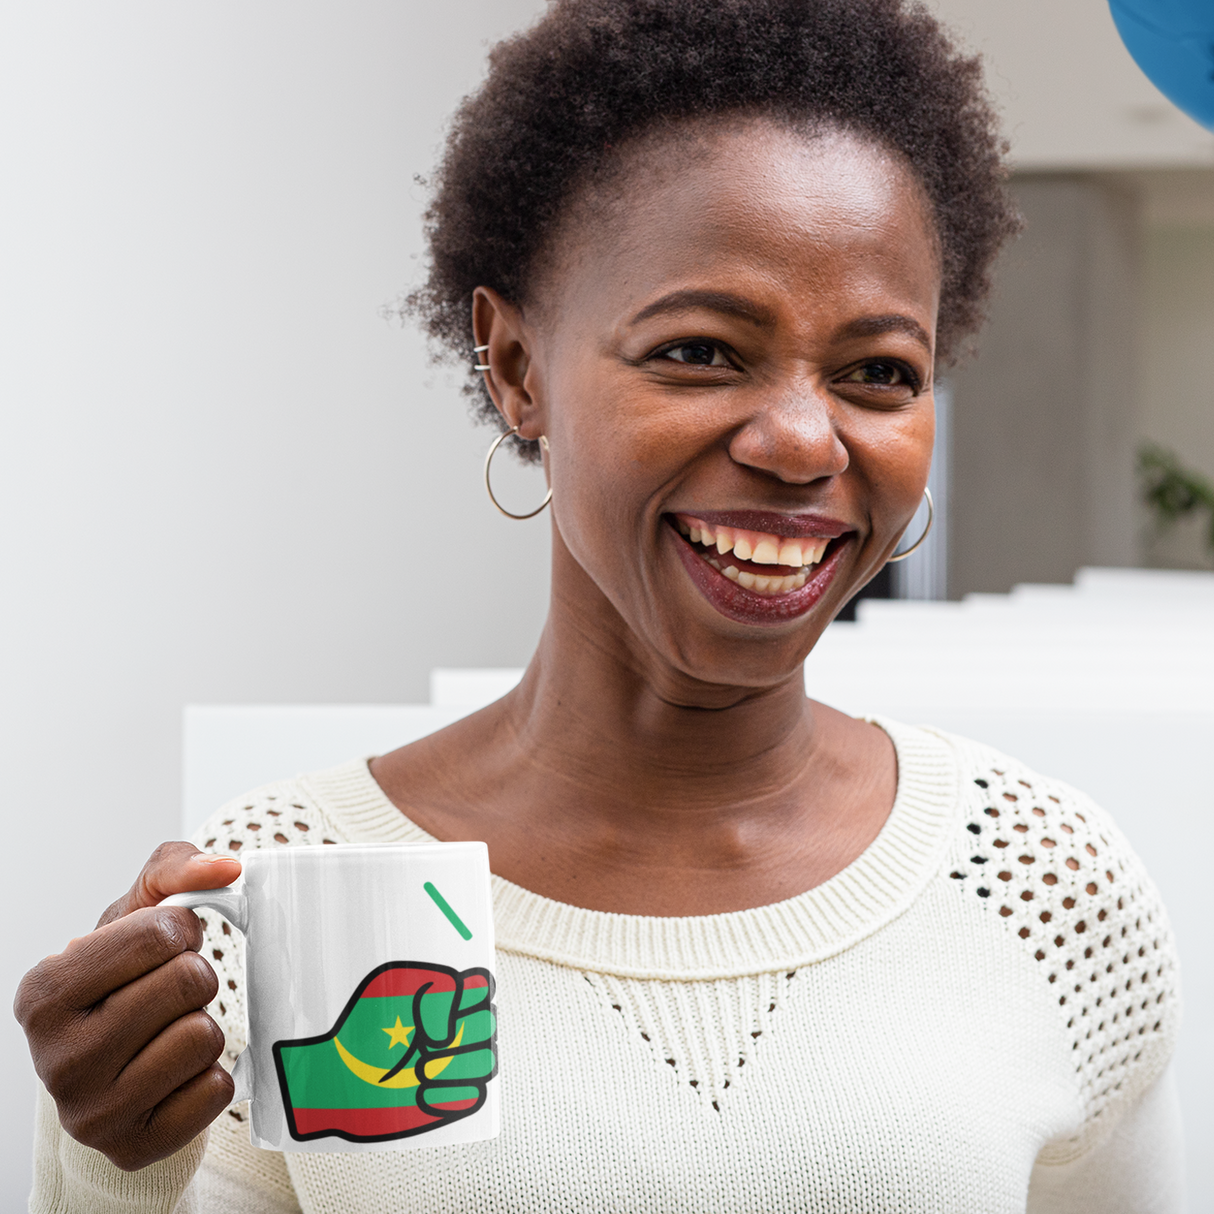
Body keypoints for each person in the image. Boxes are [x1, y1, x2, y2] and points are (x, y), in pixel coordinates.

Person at [16, 0, 1183, 1210]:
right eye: (699, 350)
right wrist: (113, 1162)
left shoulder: (1041, 883)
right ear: (517, 367)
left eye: (878, 372)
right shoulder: (281, 887)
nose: (801, 439)